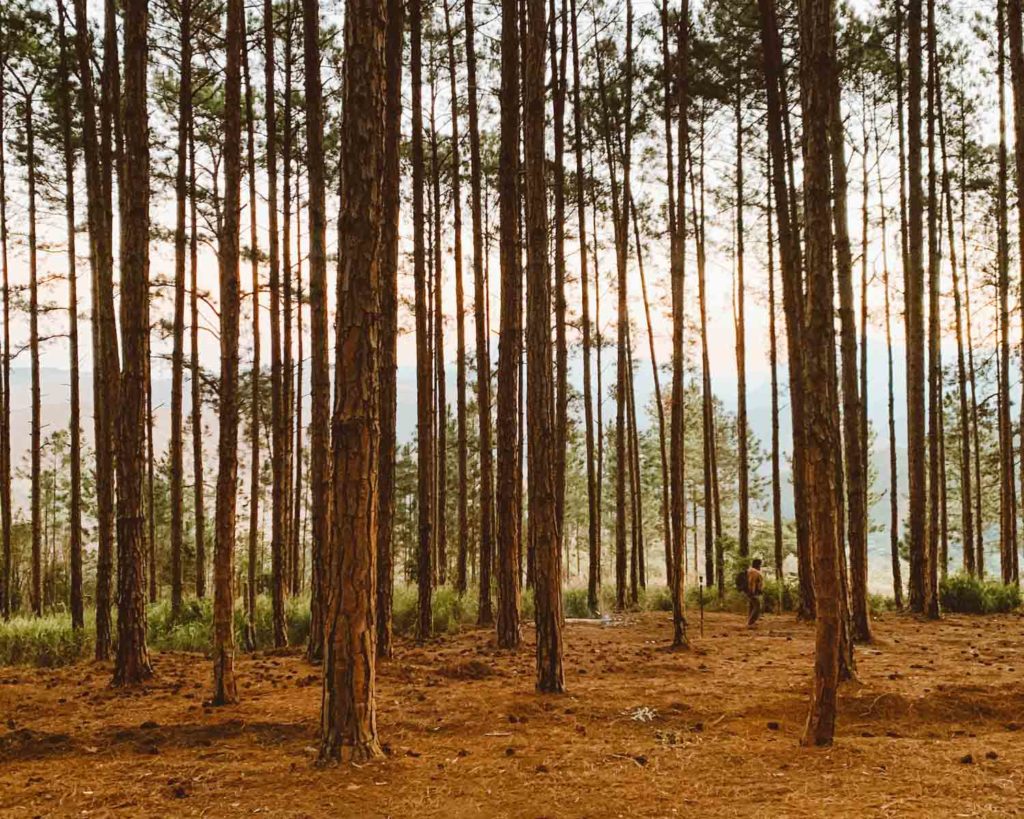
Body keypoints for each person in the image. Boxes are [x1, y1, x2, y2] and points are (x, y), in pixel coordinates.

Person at [746, 558, 765, 628]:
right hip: (753, 592)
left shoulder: (751, 570)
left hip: (753, 592)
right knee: (757, 606)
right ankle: (751, 623)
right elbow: (752, 582)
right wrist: (752, 592)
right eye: (760, 564)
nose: (761, 566)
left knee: (752, 606)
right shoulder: (754, 572)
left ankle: (750, 622)